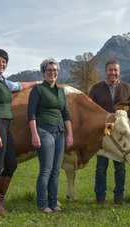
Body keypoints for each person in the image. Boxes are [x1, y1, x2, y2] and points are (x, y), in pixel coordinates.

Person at [0, 49, 42, 215]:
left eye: (4, 62)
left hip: (5, 125)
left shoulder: (2, 81)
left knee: (12, 164)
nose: (2, 64)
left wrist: (37, 83)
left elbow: (18, 86)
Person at [28, 58, 73, 214]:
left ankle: (54, 203)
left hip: (60, 133)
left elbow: (66, 113)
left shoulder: (61, 91)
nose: (53, 73)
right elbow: (31, 114)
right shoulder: (38, 90)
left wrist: (70, 135)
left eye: (55, 70)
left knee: (56, 171)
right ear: (43, 73)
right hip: (44, 131)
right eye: (49, 70)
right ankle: (42, 203)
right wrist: (34, 134)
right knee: (46, 170)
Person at [89, 60, 130, 205]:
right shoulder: (96, 89)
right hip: (103, 134)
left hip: (120, 136)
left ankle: (119, 197)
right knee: (101, 167)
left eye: (115, 70)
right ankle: (100, 197)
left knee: (120, 166)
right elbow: (91, 112)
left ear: (119, 71)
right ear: (105, 71)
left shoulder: (127, 88)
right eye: (110, 70)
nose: (113, 73)